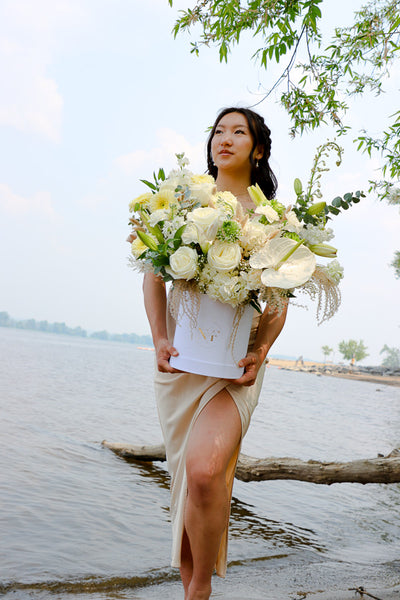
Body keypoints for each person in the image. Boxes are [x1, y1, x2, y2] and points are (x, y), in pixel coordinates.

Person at [143, 107, 288, 600]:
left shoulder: (274, 218)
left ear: (258, 148)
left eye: (238, 132)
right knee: (193, 481)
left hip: (237, 368)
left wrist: (263, 349)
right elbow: (153, 275)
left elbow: (278, 300)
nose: (224, 139)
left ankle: (198, 589)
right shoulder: (184, 203)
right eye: (218, 132)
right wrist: (160, 338)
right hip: (182, 363)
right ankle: (191, 587)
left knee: (206, 471)